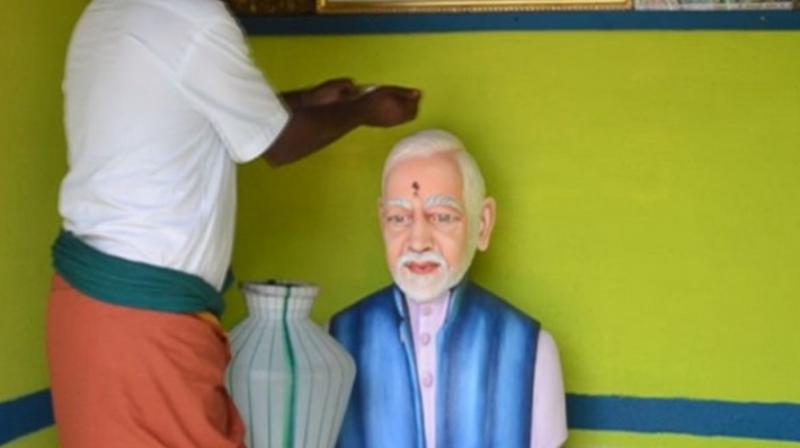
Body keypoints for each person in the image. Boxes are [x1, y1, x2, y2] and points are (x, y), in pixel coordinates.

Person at [46, 0, 420, 447]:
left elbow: (196, 106)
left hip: (86, 312)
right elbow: (279, 144)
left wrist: (307, 101)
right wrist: (364, 111)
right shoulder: (194, 19)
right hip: (144, 327)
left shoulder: (106, 12)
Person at [329, 130, 567, 448]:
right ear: (381, 221)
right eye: (399, 218)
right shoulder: (336, 341)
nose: (418, 241)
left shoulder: (529, 347)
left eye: (442, 217)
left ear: (482, 223)